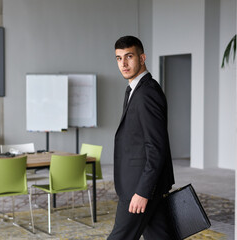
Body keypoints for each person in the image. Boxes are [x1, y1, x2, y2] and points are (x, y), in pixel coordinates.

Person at [107, 36, 175, 240]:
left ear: (142, 57)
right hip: (143, 184)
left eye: (129, 56)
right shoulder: (135, 91)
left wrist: (143, 192)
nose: (124, 64)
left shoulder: (147, 93)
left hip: (140, 187)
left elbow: (156, 146)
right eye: (119, 58)